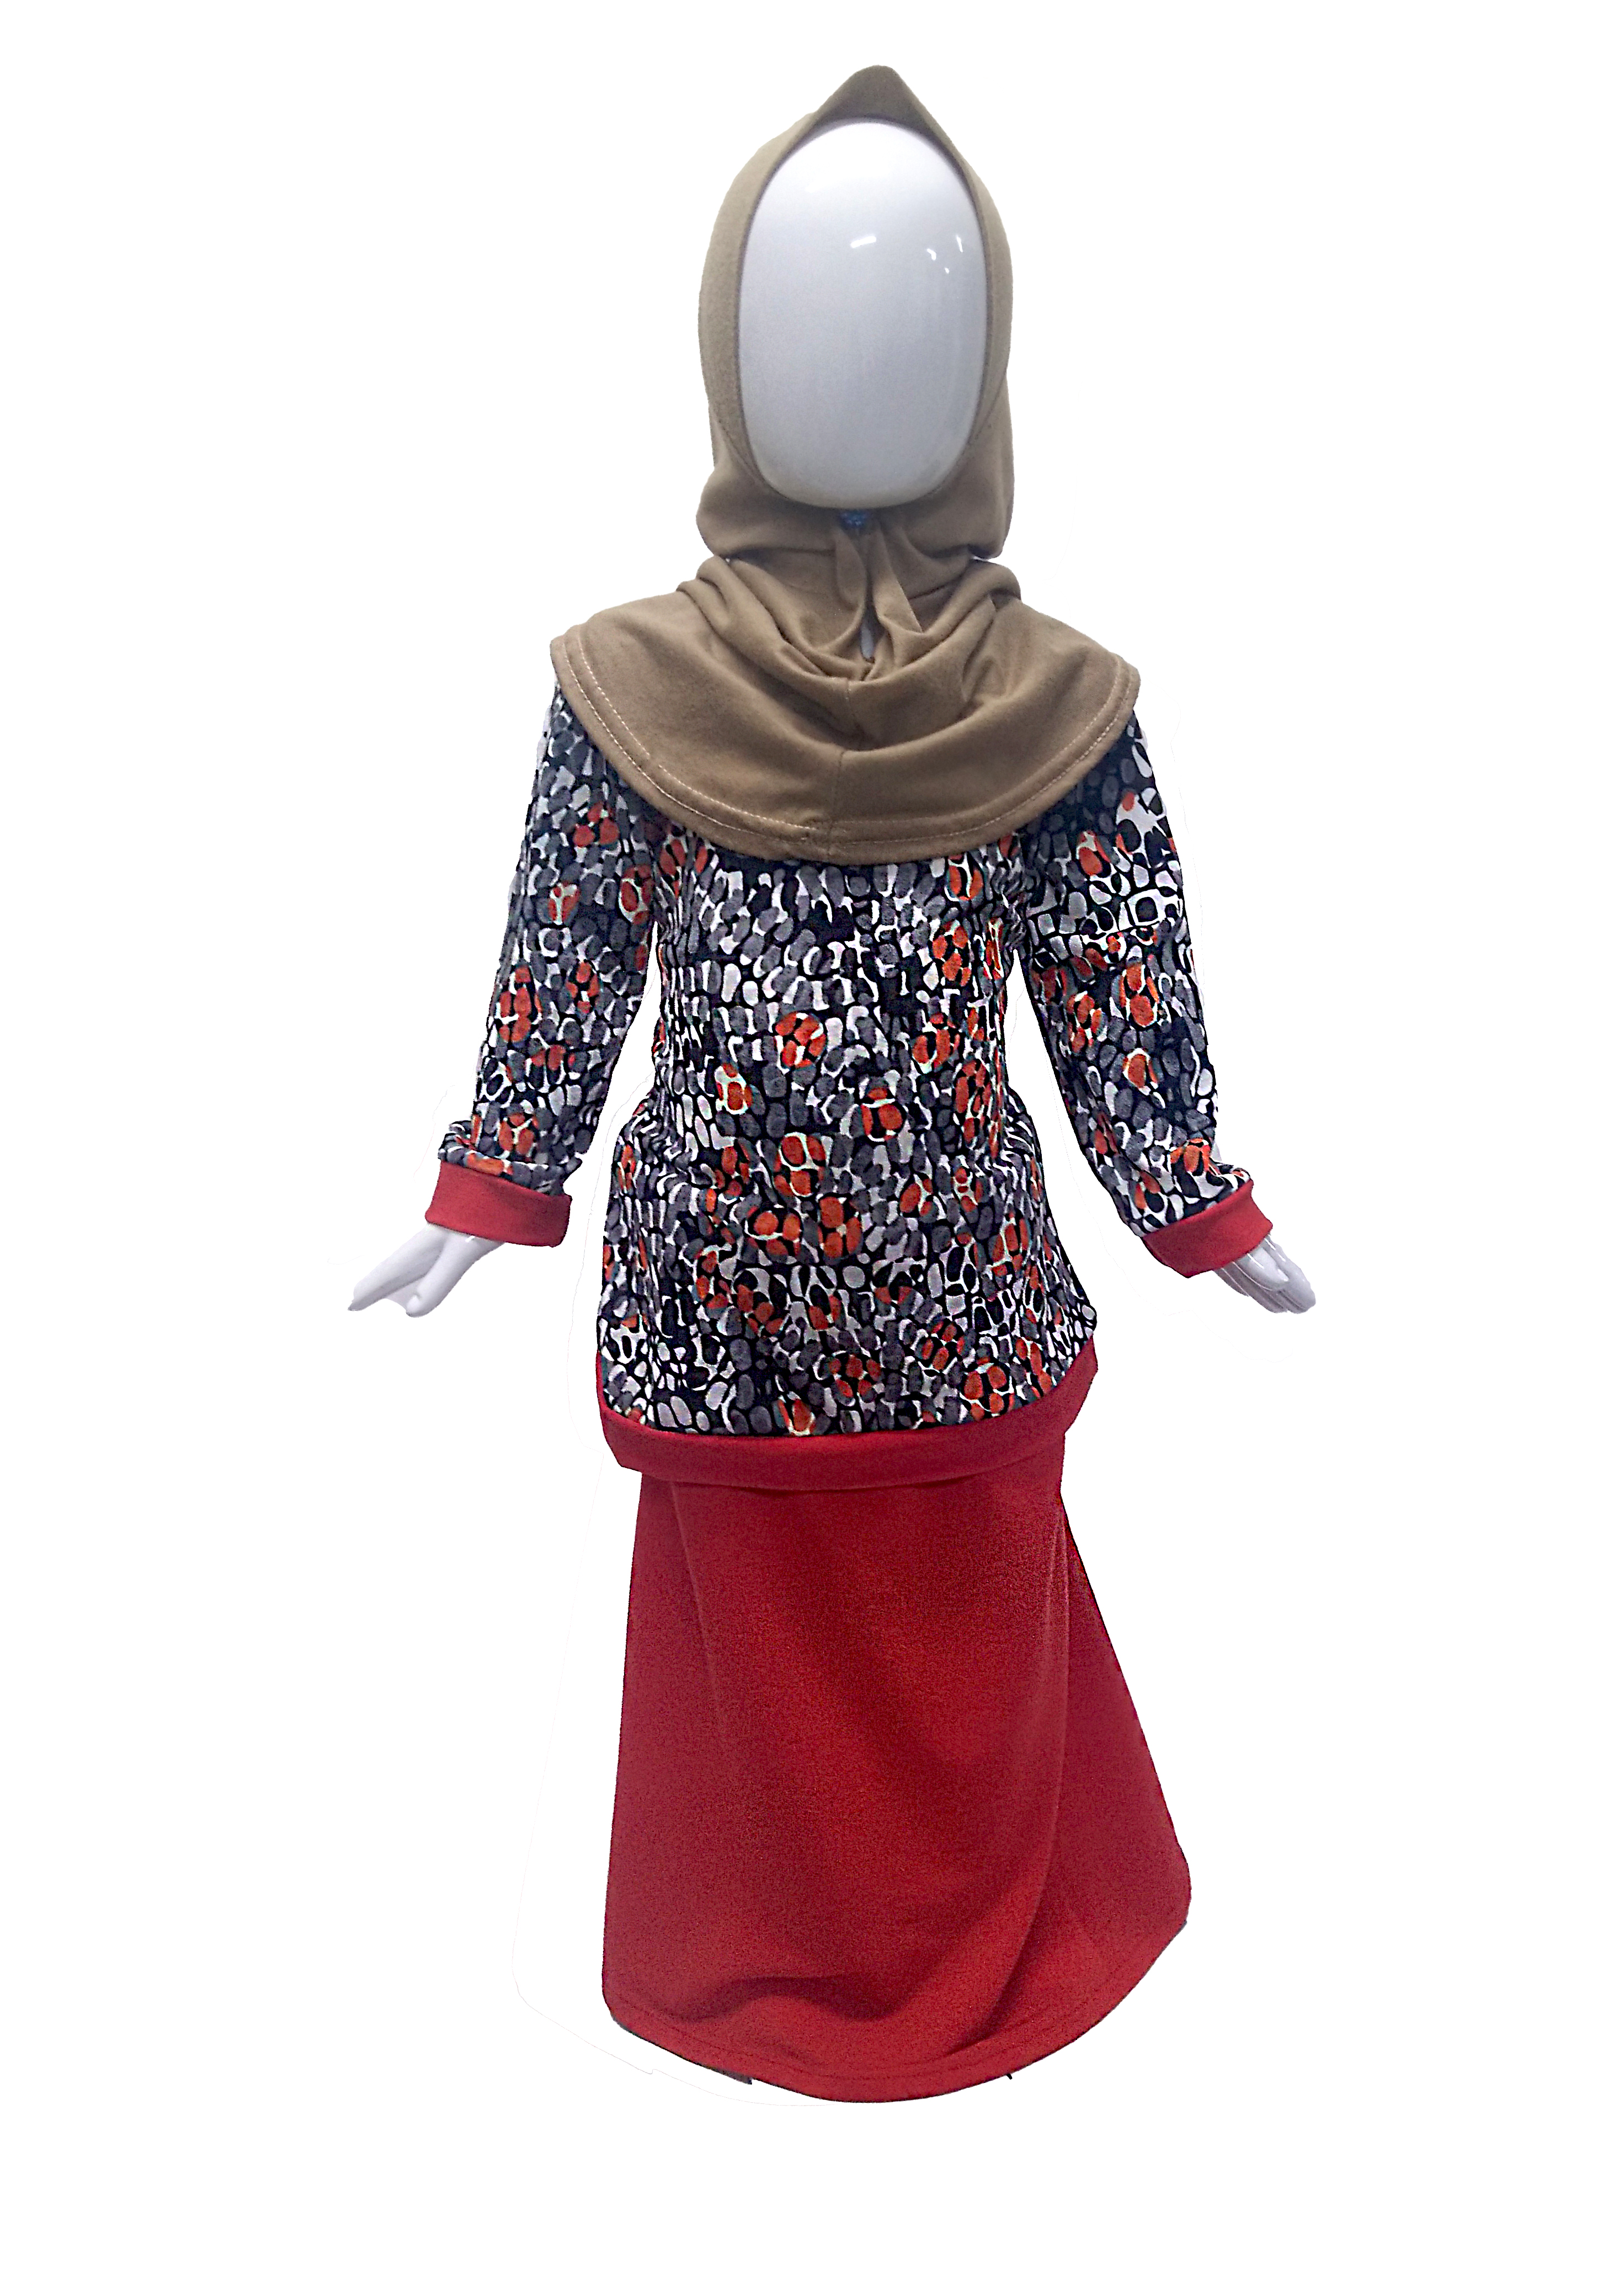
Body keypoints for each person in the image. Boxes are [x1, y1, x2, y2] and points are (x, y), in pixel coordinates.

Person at [353, 66, 1313, 2102]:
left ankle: (1001, 1944)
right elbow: (568, 948)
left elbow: (1117, 968)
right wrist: (489, 1184)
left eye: (918, 326)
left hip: (958, 1287)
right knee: (754, 1692)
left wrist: (1194, 1198)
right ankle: (745, 1956)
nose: (863, 365)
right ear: (728, 356)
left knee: (967, 1653)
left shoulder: (1053, 703)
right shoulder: (631, 683)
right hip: (722, 1301)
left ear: (986, 375)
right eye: (804, 320)